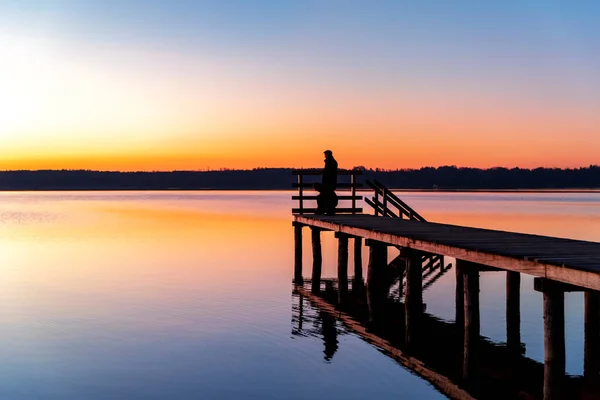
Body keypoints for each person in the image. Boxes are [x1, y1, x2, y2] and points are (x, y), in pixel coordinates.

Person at [315, 150, 338, 215]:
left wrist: (325, 180)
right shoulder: (334, 162)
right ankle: (325, 209)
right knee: (325, 195)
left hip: (328, 182)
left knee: (322, 196)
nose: (324, 155)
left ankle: (321, 210)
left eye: (325, 154)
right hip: (332, 182)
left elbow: (327, 172)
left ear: (327, 155)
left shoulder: (329, 161)